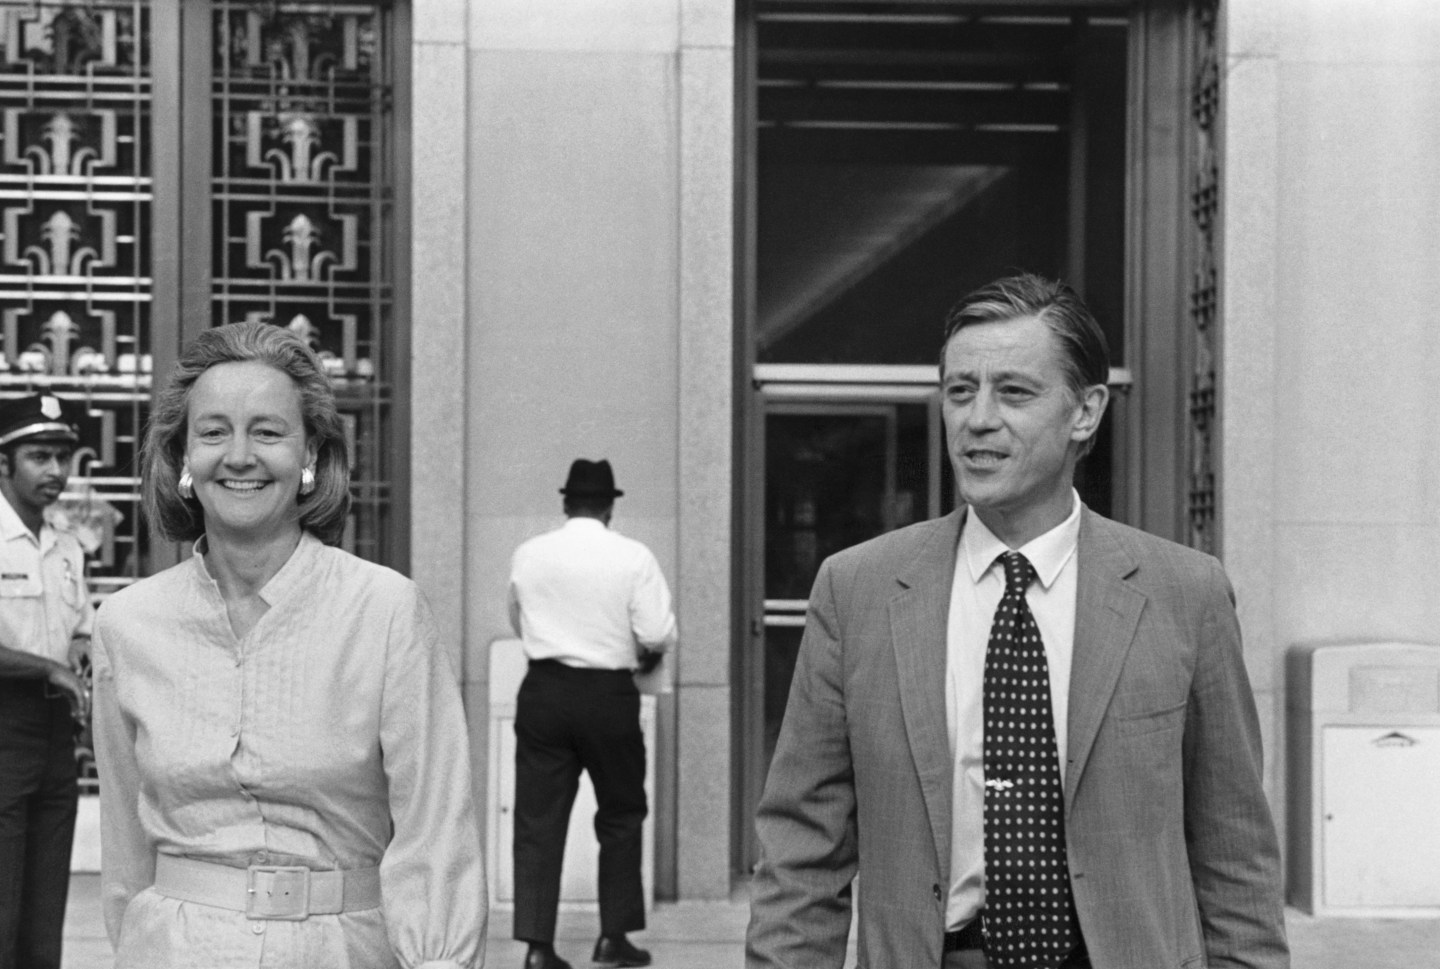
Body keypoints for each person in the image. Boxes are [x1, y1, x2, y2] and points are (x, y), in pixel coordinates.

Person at [746, 273, 1289, 969]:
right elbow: (802, 855)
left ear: (1086, 412)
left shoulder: (1186, 592)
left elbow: (1234, 849)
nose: (977, 418)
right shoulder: (857, 590)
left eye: (1014, 391)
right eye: (960, 390)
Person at [91, 322, 486, 968]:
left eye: (268, 432)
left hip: (341, 949)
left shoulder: (385, 611)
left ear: (310, 457)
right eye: (213, 431)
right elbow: (126, 849)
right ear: (184, 459)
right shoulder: (126, 624)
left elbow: (435, 830)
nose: (239, 455)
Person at [507, 459, 677, 969]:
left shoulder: (529, 553)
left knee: (538, 821)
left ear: (565, 503)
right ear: (609, 506)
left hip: (543, 689)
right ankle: (613, 939)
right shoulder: (633, 557)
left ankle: (538, 947)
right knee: (622, 814)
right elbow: (657, 632)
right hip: (608, 695)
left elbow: (517, 619)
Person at [0, 393, 93, 969]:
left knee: (44, 910)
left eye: (62, 456)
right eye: (38, 456)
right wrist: (50, 668)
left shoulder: (65, 545)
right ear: (4, 463)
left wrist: (80, 650)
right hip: (3, 727)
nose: (55, 472)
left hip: (55, 730)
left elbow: (78, 626)